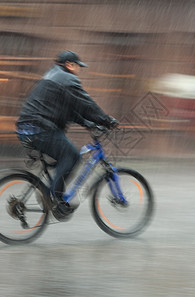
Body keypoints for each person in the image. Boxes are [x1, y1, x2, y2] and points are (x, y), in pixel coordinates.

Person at [16, 50, 118, 220]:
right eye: (78, 66)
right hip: (41, 129)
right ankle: (55, 200)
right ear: (70, 65)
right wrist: (107, 120)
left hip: (27, 128)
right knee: (72, 156)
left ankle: (49, 193)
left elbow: (70, 111)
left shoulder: (52, 76)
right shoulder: (67, 79)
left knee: (63, 161)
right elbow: (86, 104)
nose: (79, 70)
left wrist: (90, 124)